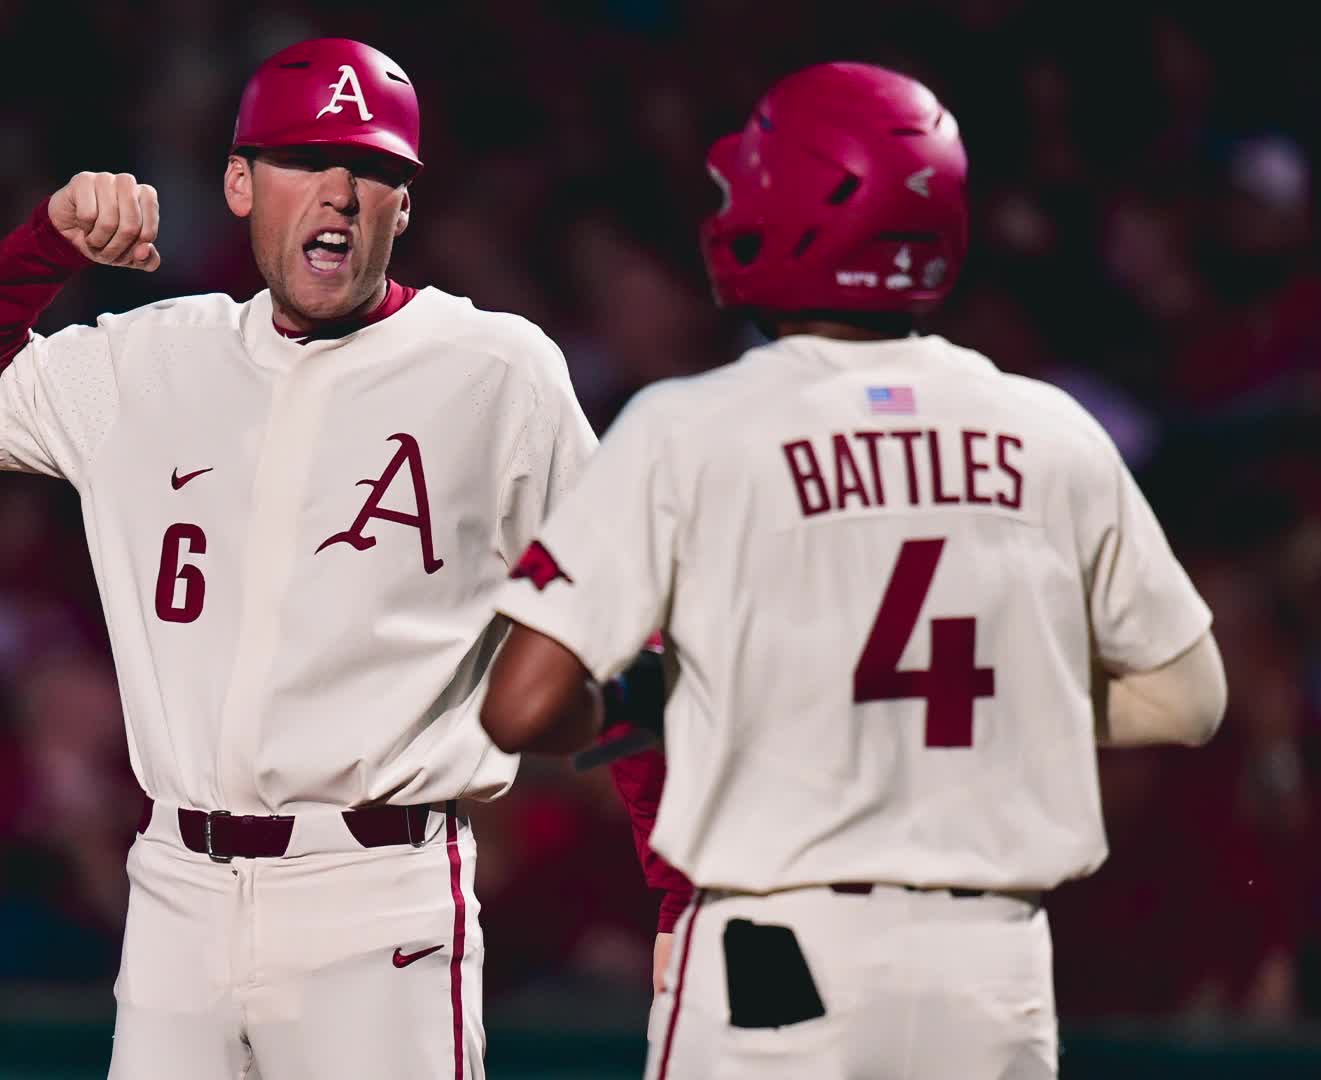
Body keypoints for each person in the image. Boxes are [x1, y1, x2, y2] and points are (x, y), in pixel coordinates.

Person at [479, 62, 1227, 1079]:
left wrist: (673, 698)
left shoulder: (690, 426)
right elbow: (1188, 699)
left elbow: (520, 707)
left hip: (779, 960)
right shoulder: (1054, 431)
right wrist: (1010, 696)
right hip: (991, 972)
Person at [0, 37, 599, 1079]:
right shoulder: (148, 357)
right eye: (307, 159)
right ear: (238, 182)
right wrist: (42, 246)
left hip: (376, 888)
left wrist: (674, 892)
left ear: (408, 204)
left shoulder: (498, 373)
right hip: (177, 888)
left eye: (376, 170)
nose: (341, 193)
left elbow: (620, 628)